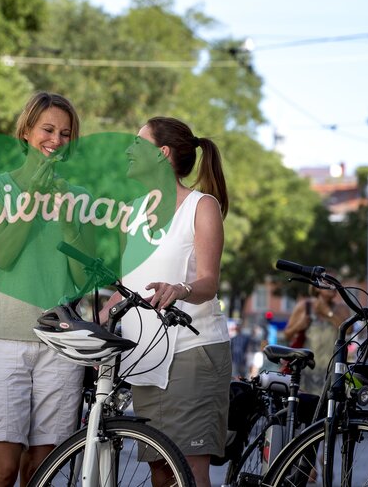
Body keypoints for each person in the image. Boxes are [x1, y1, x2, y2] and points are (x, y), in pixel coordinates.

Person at [106, 116, 232, 487]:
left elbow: (208, 281)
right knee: (161, 471)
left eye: (138, 142)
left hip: (192, 352)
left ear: (162, 154)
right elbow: (128, 285)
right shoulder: (131, 213)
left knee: (190, 473)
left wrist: (181, 289)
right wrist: (100, 313)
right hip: (145, 357)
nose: (129, 149)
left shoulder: (200, 206)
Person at [0, 92, 93, 487]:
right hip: (5, 337)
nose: (56, 139)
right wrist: (34, 197)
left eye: (65, 133)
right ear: (26, 131)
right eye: (48, 129)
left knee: (43, 472)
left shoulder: (79, 197)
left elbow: (80, 276)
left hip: (60, 345)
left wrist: (67, 218)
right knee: (4, 467)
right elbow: (2, 254)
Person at [282, 285, 350, 397]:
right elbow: (287, 335)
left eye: (335, 282)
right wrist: (299, 325)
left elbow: (348, 330)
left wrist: (328, 313)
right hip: (307, 373)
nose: (333, 286)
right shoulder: (305, 306)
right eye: (328, 282)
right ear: (317, 287)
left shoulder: (341, 308)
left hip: (332, 373)